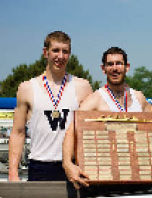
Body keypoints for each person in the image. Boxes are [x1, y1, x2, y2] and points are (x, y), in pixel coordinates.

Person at [62, 47, 152, 189]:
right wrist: (67, 163)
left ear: (127, 67)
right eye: (110, 64)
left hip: (138, 176)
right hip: (107, 178)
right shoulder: (95, 99)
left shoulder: (139, 98)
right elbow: (71, 130)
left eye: (119, 63)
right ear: (103, 68)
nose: (114, 68)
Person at [8, 31, 93, 181]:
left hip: (73, 166)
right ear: (45, 52)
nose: (60, 56)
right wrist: (13, 173)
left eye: (65, 51)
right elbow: (18, 132)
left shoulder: (82, 87)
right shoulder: (27, 88)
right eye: (55, 50)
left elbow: (91, 129)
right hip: (40, 166)